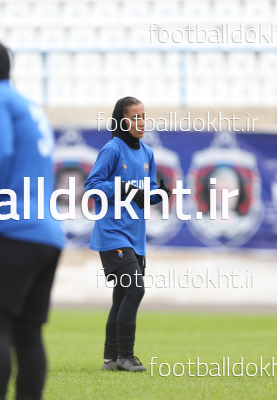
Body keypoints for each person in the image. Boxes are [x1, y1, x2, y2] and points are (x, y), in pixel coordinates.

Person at [0, 37, 64, 400]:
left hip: (13, 231)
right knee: (28, 335)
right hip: (47, 235)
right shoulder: (28, 104)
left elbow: (0, 155)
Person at [85, 96, 171, 372]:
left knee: (122, 295)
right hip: (112, 234)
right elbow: (92, 186)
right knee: (135, 289)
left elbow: (145, 195)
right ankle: (126, 356)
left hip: (136, 238)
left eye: (143, 116)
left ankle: (111, 359)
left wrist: (159, 194)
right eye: (135, 117)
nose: (141, 122)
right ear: (122, 121)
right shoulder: (112, 149)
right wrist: (123, 188)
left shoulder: (147, 153)